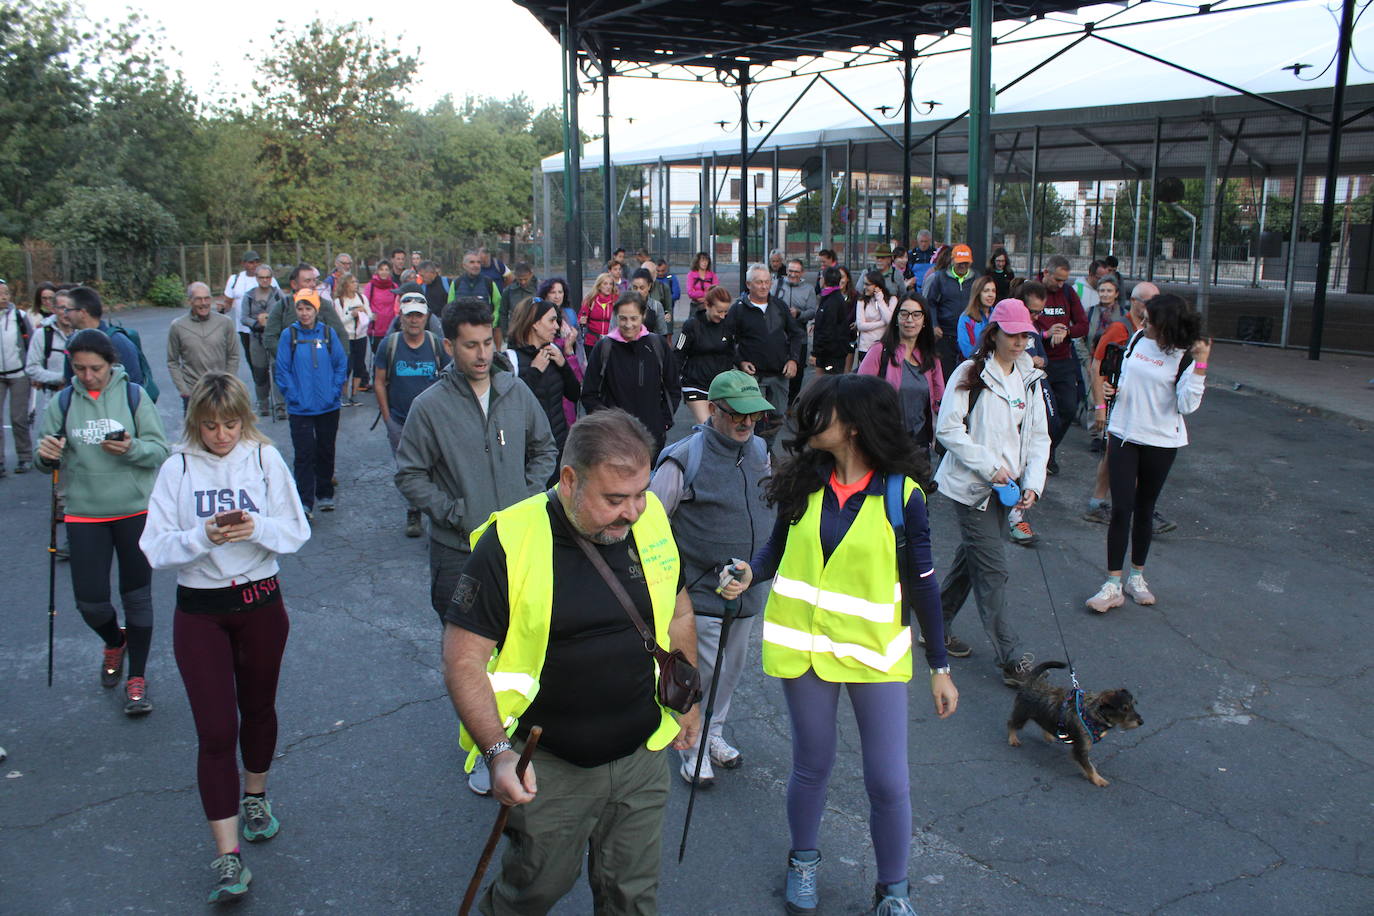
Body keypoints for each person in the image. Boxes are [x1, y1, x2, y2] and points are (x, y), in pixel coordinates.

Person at [442, 409, 700, 915]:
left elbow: (679, 611)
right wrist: (498, 754)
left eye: (640, 493)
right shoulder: (510, 541)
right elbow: (463, 660)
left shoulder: (650, 520)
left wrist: (688, 701)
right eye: (614, 499)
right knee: (533, 891)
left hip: (641, 758)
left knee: (632, 896)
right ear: (569, 480)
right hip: (550, 766)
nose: (632, 512)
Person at [720, 373, 957, 916]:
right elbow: (776, 551)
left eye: (821, 412)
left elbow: (923, 583)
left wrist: (940, 667)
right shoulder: (803, 482)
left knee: (888, 782)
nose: (808, 421)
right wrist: (748, 572)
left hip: (873, 653)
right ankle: (803, 862)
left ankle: (894, 892)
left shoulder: (902, 496)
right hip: (804, 648)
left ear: (853, 425)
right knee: (812, 765)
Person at [139, 372, 310, 905]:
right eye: (211, 425)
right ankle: (228, 855)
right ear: (196, 422)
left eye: (231, 424)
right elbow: (154, 547)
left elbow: (296, 531)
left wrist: (255, 527)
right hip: (201, 611)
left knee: (257, 709)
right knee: (215, 731)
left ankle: (255, 795)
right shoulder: (177, 467)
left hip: (260, 603)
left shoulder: (263, 458)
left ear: (244, 419)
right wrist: (202, 536)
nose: (221, 435)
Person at [396, 297, 558, 795]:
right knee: (471, 661)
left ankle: (517, 743)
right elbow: (409, 474)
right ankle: (485, 752)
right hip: (458, 554)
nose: (483, 354)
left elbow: (546, 448)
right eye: (470, 345)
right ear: (449, 346)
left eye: (488, 342)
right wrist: (454, 513)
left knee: (519, 651)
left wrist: (525, 498)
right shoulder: (429, 407)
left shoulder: (516, 391)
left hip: (517, 548)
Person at [34, 329, 170, 714]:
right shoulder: (62, 402)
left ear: (111, 364)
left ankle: (137, 677)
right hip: (84, 512)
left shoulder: (133, 396)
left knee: (137, 599)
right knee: (90, 603)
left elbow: (159, 450)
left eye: (95, 368)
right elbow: (45, 460)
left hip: (135, 510)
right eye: (80, 369)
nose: (88, 376)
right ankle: (114, 641)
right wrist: (46, 456)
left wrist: (131, 448)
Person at [650, 369, 774, 787]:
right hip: (700, 594)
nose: (747, 422)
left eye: (753, 414)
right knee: (700, 673)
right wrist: (674, 584)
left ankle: (713, 733)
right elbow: (651, 523)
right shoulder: (684, 457)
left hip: (747, 591)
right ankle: (693, 745)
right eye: (737, 414)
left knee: (730, 671)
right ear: (714, 410)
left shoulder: (759, 449)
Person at [934, 299, 1048, 682]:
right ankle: (1012, 659)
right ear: (994, 333)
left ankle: (936, 623)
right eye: (1012, 335)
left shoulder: (1030, 378)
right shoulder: (971, 372)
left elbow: (1038, 437)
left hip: (1007, 490)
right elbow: (948, 429)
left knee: (974, 559)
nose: (1019, 342)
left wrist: (1033, 484)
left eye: (1025, 335)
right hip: (971, 488)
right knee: (992, 570)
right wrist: (990, 467)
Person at [1085, 294, 1211, 614]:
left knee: (1145, 509)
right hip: (1124, 433)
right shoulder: (1139, 338)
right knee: (1121, 508)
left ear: (1165, 325)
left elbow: (1187, 405)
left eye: (1149, 320)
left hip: (1161, 441)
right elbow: (1127, 377)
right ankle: (1112, 584)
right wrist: (1113, 390)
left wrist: (1201, 366)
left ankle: (1136, 578)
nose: (1142, 323)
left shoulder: (1185, 355)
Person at [375, 291, 449, 536]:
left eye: (418, 315)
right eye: (409, 316)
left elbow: (450, 378)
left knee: (436, 467)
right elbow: (379, 381)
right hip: (399, 419)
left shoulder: (436, 344)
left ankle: (436, 513)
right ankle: (413, 511)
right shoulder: (389, 344)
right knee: (407, 470)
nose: (414, 320)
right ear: (401, 317)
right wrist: (387, 418)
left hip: (432, 421)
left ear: (426, 317)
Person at [1085, 281, 1156, 525]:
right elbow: (1097, 365)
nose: (1154, 307)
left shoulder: (1152, 330)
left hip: (1135, 404)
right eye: (1149, 302)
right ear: (1134, 302)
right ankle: (1105, 504)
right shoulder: (1120, 328)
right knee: (1116, 454)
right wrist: (1099, 407)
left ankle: (1110, 504)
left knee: (1119, 456)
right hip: (1117, 404)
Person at [274, 290, 347, 519]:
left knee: (326, 450)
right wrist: (293, 396)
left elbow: (340, 364)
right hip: (300, 408)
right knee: (304, 454)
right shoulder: (289, 335)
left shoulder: (328, 333)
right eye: (300, 308)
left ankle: (325, 493)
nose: (304, 313)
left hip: (328, 406)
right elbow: (282, 369)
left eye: (308, 308)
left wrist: (334, 392)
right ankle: (305, 501)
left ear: (316, 310)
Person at [581, 292, 681, 458]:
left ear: (643, 316)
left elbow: (673, 387)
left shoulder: (657, 345)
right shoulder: (604, 348)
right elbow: (589, 393)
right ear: (616, 317)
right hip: (614, 437)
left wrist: (663, 421)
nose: (628, 325)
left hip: (652, 436)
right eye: (623, 318)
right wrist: (607, 423)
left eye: (634, 318)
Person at [722, 263, 803, 436]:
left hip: (779, 375)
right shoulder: (738, 309)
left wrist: (793, 360)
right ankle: (753, 449)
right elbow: (726, 340)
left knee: (777, 418)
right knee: (752, 420)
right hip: (752, 377)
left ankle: (767, 448)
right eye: (759, 282)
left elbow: (796, 334)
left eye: (767, 282)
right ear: (748, 284)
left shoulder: (780, 306)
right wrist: (740, 361)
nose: (764, 286)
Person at [859, 296, 944, 457]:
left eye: (916, 314)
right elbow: (858, 394)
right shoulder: (879, 351)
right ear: (896, 319)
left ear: (924, 321)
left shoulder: (931, 359)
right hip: (884, 442)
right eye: (904, 314)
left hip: (919, 444)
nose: (909, 320)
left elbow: (941, 401)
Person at [506, 295, 580, 475]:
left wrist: (563, 365)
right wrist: (534, 371)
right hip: (530, 455)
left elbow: (575, 394)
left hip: (560, 448)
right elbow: (511, 407)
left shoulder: (555, 351)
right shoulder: (510, 359)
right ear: (535, 323)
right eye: (552, 320)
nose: (557, 326)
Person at [1032, 255, 1089, 475]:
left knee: (1068, 408)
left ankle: (1048, 450)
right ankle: (1039, 455)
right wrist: (1046, 334)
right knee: (1043, 412)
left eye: (1064, 280)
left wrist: (1066, 331)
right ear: (1046, 272)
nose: (1060, 284)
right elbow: (1022, 324)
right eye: (1057, 279)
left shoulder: (1067, 293)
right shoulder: (1033, 290)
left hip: (1064, 360)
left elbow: (1083, 324)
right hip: (1039, 361)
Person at [167, 283, 240, 414]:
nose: (204, 303)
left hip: (220, 391)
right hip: (193, 392)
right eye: (198, 299)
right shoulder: (178, 326)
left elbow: (233, 355)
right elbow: (172, 361)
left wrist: (228, 382)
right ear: (190, 301)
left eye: (207, 298)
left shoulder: (225, 322)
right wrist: (184, 390)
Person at [60, 286, 145, 387]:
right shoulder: (71, 342)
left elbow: (134, 385)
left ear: (82, 313)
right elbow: (69, 383)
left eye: (67, 310)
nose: (65, 315)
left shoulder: (118, 342)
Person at [676, 285, 736, 424]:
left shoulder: (728, 325)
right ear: (707, 305)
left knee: (723, 428)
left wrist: (742, 364)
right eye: (719, 311)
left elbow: (732, 353)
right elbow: (678, 354)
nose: (722, 316)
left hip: (720, 386)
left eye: (725, 312)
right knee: (708, 425)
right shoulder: (692, 325)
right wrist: (671, 380)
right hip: (695, 384)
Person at [239, 264, 288, 416]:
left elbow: (287, 313)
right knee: (260, 371)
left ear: (271, 278)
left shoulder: (278, 294)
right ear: (256, 278)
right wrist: (256, 323)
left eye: (267, 277)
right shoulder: (249, 296)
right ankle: (263, 403)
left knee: (278, 370)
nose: (265, 280)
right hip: (257, 338)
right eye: (261, 277)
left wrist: (274, 322)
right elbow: (243, 317)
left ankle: (280, 405)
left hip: (275, 337)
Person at [925, 243, 976, 384]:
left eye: (966, 263)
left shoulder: (976, 279)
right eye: (959, 262)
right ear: (952, 261)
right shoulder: (940, 278)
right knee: (945, 374)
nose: (962, 266)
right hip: (945, 334)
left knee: (968, 375)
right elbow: (931, 303)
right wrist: (934, 324)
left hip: (969, 334)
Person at [25, 287, 75, 424]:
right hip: (54, 399)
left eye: (70, 308)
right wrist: (61, 378)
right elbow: (31, 368)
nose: (66, 313)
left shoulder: (83, 333)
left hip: (82, 399)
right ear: (54, 309)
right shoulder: (42, 334)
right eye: (62, 308)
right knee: (52, 436)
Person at [0, 278, 34, 475]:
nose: (3, 297)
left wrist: (32, 370)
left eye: (6, 293)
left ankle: (25, 457)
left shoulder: (19, 316)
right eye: (0, 294)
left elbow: (31, 343)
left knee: (18, 418)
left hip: (19, 373)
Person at [774, 259, 818, 404]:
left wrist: (799, 314)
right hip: (778, 337)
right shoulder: (776, 284)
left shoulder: (809, 289)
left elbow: (812, 311)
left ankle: (791, 404)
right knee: (778, 371)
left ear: (802, 272)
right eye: (790, 271)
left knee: (797, 373)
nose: (792, 274)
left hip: (799, 337)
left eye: (796, 272)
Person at [223, 251, 278, 363]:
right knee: (252, 360)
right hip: (245, 328)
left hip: (267, 328)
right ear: (243, 264)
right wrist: (222, 309)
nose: (254, 265)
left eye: (257, 262)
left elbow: (278, 300)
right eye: (251, 262)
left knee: (271, 358)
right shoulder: (235, 279)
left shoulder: (268, 279)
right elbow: (228, 303)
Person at [332, 272, 372, 405]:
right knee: (346, 366)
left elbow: (370, 316)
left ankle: (354, 394)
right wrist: (352, 315)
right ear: (345, 285)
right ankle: (344, 395)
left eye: (356, 282)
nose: (356, 284)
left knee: (359, 366)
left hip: (361, 336)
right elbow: (338, 321)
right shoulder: (339, 302)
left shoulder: (362, 298)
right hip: (346, 337)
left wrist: (364, 312)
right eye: (352, 282)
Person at [362, 260, 400, 389]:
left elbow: (397, 305)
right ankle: (376, 381)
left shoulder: (394, 286)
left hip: (390, 327)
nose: (384, 272)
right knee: (378, 355)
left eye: (386, 269)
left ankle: (389, 380)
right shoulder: (371, 286)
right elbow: (365, 304)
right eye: (381, 269)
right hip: (375, 328)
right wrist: (370, 315)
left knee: (391, 355)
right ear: (377, 271)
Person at [812, 266, 854, 376]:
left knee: (829, 383)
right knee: (819, 382)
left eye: (821, 277)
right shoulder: (827, 297)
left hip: (832, 354)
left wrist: (816, 352)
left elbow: (828, 330)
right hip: (827, 353)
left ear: (824, 280)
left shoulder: (833, 301)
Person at [855, 270, 895, 367]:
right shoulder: (861, 301)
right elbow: (860, 325)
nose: (864, 287)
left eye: (868, 284)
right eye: (864, 284)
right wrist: (882, 323)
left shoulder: (892, 300)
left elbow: (889, 320)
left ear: (877, 285)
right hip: (865, 347)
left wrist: (880, 300)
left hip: (884, 346)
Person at [499, 262, 539, 349]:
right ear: (515, 276)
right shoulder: (509, 291)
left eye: (525, 279)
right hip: (514, 333)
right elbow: (503, 313)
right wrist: (505, 333)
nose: (523, 282)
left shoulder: (539, 289)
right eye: (520, 279)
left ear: (531, 275)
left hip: (534, 332)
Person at [957, 276, 998, 360]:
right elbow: (967, 351)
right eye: (986, 291)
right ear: (977, 293)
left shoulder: (998, 316)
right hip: (975, 363)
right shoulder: (966, 318)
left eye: (993, 291)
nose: (991, 295)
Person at [578, 272, 618, 348]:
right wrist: (581, 320)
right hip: (592, 341)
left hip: (611, 341)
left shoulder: (616, 301)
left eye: (610, 284)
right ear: (599, 286)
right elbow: (580, 318)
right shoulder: (590, 300)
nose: (608, 287)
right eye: (605, 284)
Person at [629, 267, 670, 335]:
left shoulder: (656, 306)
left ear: (649, 286)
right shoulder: (622, 306)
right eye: (635, 288)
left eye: (642, 288)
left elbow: (662, 333)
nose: (638, 291)